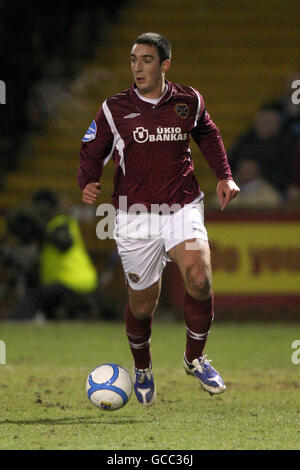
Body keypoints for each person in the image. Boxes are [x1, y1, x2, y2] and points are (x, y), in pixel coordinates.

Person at [77, 32, 240, 406]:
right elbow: (92, 149)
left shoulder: (188, 101)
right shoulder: (113, 109)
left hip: (181, 205)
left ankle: (195, 357)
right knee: (142, 305)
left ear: (164, 65)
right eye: (134, 59)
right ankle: (143, 367)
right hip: (134, 216)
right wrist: (87, 181)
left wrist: (224, 174)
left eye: (146, 60)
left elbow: (208, 134)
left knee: (199, 279)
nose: (138, 67)